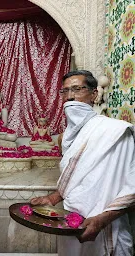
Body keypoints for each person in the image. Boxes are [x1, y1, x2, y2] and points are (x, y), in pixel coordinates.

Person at [31, 70, 135, 255]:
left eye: (77, 89)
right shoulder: (66, 137)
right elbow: (78, 179)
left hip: (105, 226)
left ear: (94, 94)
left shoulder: (115, 132)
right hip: (70, 222)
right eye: (65, 91)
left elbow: (132, 186)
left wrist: (102, 220)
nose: (70, 97)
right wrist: (52, 198)